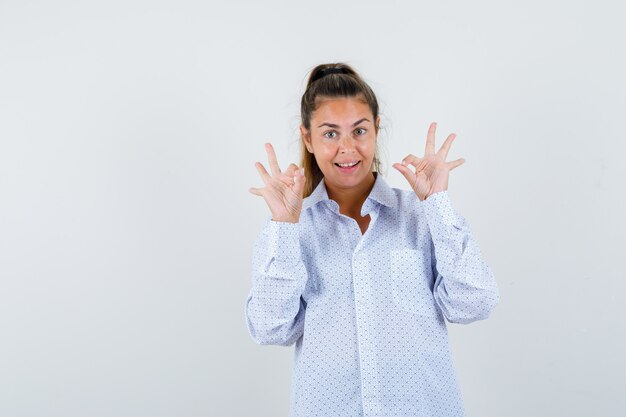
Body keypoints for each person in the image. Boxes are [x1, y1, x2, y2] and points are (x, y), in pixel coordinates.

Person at [244, 63, 499, 417]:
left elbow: (474, 303)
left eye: (359, 131)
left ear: (376, 130)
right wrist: (284, 227)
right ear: (308, 138)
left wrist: (437, 203)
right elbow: (271, 329)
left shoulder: (420, 215)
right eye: (330, 134)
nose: (347, 148)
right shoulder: (290, 228)